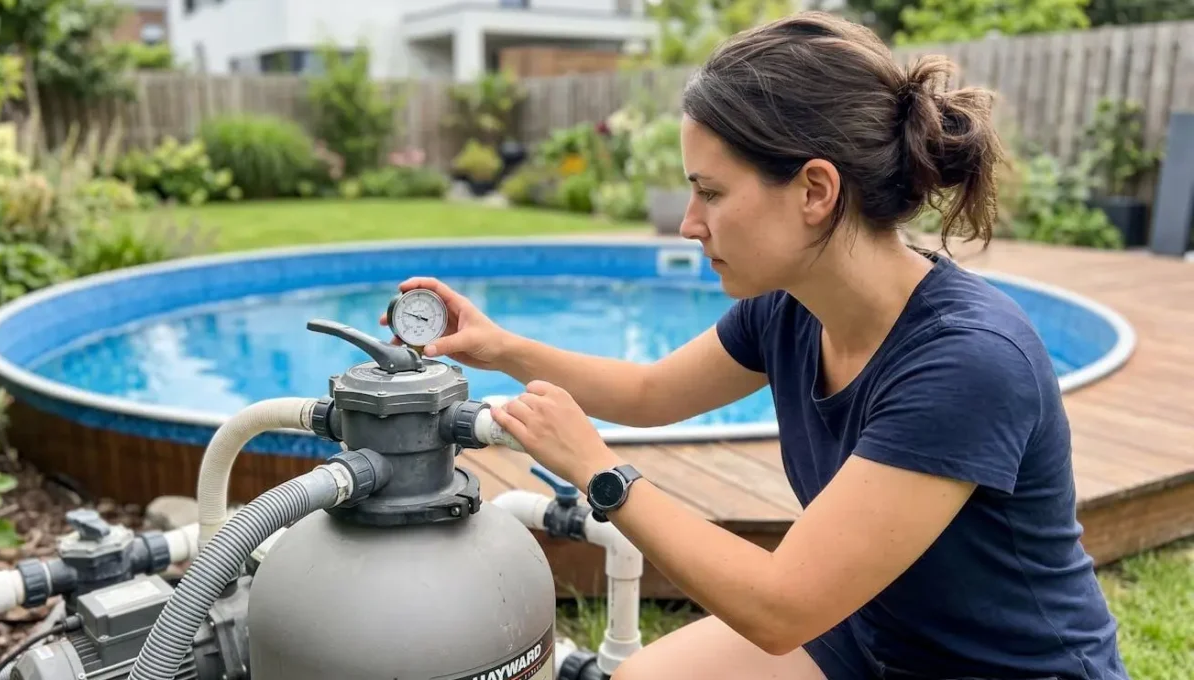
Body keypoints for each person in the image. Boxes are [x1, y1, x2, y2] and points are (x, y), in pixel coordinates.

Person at [381, 11, 1129, 680]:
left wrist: (599, 472)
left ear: (815, 191)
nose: (688, 224)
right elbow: (649, 393)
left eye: (710, 192)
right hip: (871, 636)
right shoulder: (789, 309)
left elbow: (780, 608)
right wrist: (500, 346)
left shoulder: (967, 361)